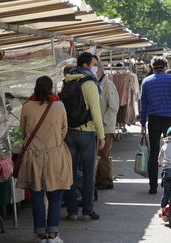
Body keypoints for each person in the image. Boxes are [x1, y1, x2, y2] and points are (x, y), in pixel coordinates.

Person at [17, 76, 72, 243]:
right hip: (55, 155)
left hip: (33, 156)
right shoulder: (59, 105)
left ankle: (40, 233)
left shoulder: (26, 106)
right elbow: (64, 130)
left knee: (36, 195)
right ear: (50, 88)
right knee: (55, 195)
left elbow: (22, 132)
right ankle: (53, 234)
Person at [62, 52, 105, 221]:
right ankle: (87, 210)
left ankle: (72, 211)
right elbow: (95, 112)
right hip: (86, 133)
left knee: (70, 173)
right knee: (88, 174)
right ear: (86, 65)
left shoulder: (67, 80)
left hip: (69, 132)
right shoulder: (90, 83)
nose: (97, 67)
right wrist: (101, 135)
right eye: (95, 63)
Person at [140, 56, 171, 194]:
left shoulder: (146, 81)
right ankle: (169, 181)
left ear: (152, 67)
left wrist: (142, 123)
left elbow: (144, 104)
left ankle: (152, 186)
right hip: (168, 119)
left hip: (153, 119)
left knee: (154, 152)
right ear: (165, 66)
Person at [95, 60, 120, 190]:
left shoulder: (108, 85)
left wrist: (103, 122)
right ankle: (100, 179)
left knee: (103, 154)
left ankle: (106, 181)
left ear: (99, 70)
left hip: (106, 127)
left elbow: (113, 107)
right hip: (99, 126)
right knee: (99, 154)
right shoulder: (97, 84)